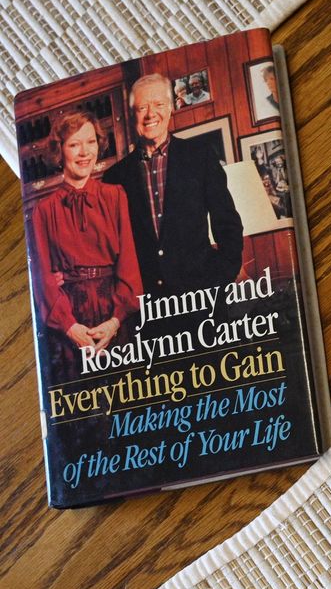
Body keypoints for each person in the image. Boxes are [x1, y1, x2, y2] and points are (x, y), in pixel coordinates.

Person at [104, 72, 243, 295]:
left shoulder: (200, 156)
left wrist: (223, 273)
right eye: (142, 108)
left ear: (170, 108)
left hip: (203, 296)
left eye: (158, 104)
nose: (151, 114)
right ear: (132, 115)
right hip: (148, 304)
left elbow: (226, 222)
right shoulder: (115, 177)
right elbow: (110, 247)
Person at [27, 111, 142, 379]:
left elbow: (129, 263)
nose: (84, 152)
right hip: (69, 318)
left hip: (115, 315)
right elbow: (43, 277)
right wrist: (70, 327)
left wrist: (115, 321)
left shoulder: (115, 196)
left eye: (90, 142)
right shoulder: (43, 211)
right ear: (59, 152)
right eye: (74, 144)